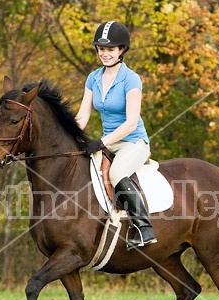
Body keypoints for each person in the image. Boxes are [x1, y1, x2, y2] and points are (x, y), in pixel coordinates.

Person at [76, 20, 157, 250]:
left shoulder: (131, 79)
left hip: (133, 142)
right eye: (101, 49)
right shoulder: (93, 78)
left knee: (118, 172)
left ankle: (144, 228)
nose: (105, 54)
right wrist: (70, 135)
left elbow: (131, 123)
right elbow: (83, 116)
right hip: (109, 143)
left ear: (122, 50)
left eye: (110, 49)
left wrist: (101, 142)